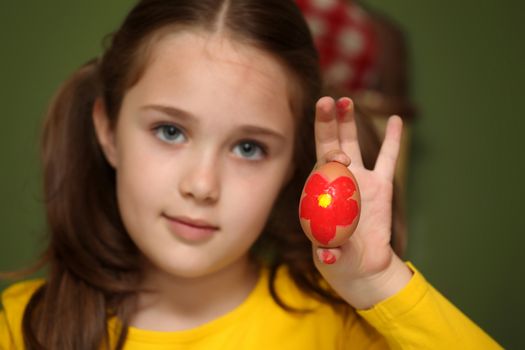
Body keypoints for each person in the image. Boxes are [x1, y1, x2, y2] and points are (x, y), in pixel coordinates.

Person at [0, 0, 501, 349]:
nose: (201, 185)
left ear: (291, 168)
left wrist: (381, 284)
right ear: (108, 130)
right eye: (170, 131)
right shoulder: (17, 327)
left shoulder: (340, 329)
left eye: (248, 147)